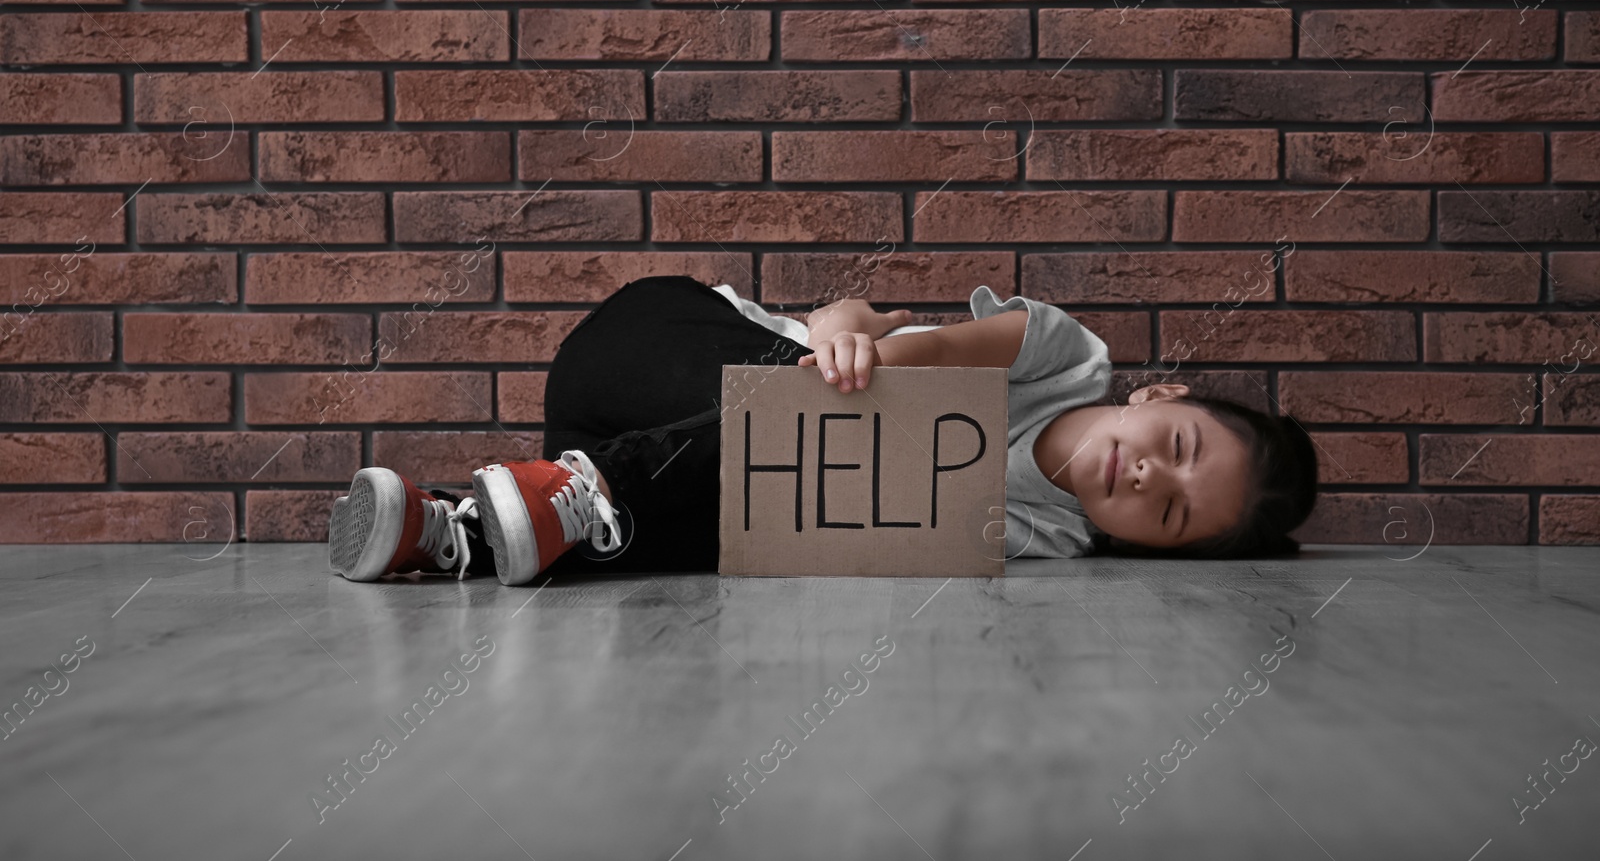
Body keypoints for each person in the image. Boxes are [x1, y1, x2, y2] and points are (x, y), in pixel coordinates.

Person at [326, 274, 1319, 585]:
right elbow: (907, 346)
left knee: (731, 543)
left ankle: (453, 533)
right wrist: (855, 338)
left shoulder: (1055, 541)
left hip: (628, 458)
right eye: (1178, 448)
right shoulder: (1069, 359)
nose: (1147, 476)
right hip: (655, 348)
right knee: (838, 424)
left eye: (1175, 516)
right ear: (1162, 397)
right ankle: (580, 496)